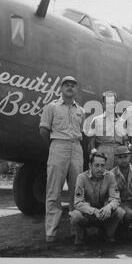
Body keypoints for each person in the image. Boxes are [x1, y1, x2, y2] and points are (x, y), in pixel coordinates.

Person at [39, 76, 84, 243]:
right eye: (67, 85)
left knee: (77, 190)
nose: (70, 88)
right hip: (58, 145)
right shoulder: (51, 107)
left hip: (76, 148)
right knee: (53, 191)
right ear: (61, 88)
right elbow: (44, 130)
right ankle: (51, 232)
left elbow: (80, 129)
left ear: (76, 89)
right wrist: (55, 146)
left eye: (73, 85)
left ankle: (76, 230)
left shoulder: (80, 110)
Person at [69, 151, 125, 245]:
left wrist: (109, 207)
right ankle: (81, 236)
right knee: (75, 216)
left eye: (102, 165)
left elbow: (116, 198)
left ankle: (108, 234)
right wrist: (93, 211)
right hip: (88, 215)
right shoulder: (81, 177)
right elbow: (77, 203)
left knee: (120, 212)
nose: (100, 169)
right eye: (97, 165)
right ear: (90, 165)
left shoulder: (110, 176)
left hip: (104, 214)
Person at [87, 91, 124, 170]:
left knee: (118, 177)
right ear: (103, 104)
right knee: (103, 176)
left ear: (115, 103)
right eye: (107, 103)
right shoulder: (96, 119)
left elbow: (125, 139)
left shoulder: (121, 121)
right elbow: (91, 139)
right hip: (103, 150)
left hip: (119, 152)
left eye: (112, 103)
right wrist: (94, 152)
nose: (110, 105)